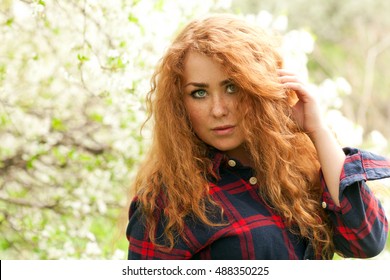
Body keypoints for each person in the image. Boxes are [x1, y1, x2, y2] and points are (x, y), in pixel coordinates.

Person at [126, 14, 390, 259]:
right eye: (199, 93)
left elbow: (367, 240)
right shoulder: (166, 204)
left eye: (232, 87)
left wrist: (317, 130)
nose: (218, 110)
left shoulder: (296, 170)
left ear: (260, 87)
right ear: (180, 104)